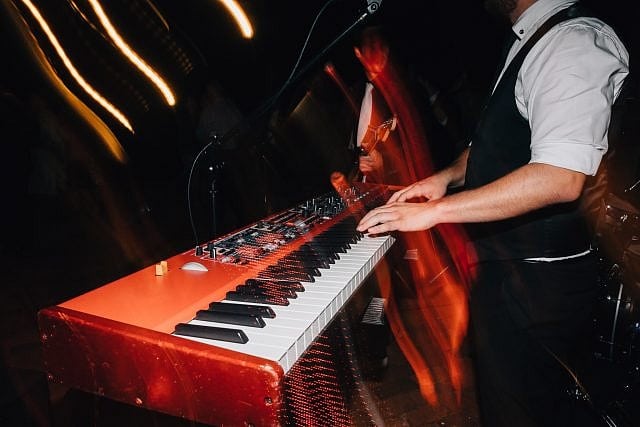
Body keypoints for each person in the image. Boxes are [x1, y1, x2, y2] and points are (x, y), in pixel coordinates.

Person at [357, 0, 629, 425]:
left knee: (521, 412)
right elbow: (496, 147)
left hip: (540, 285)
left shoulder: (573, 41)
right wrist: (443, 178)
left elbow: (560, 176)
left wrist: (435, 213)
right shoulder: (531, 39)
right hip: (511, 273)